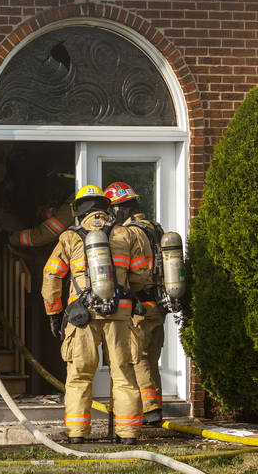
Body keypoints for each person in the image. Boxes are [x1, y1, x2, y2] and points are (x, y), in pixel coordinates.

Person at [42, 184, 152, 444]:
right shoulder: (125, 234)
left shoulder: (69, 238)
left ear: (77, 210)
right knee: (124, 375)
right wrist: (126, 291)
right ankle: (128, 435)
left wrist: (54, 314)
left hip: (82, 317)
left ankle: (77, 434)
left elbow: (52, 277)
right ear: (106, 207)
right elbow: (141, 274)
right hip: (121, 316)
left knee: (79, 376)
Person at [105, 181, 166, 426]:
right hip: (159, 305)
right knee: (151, 358)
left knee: (135, 357)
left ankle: (148, 410)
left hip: (141, 306)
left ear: (120, 209)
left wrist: (125, 294)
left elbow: (136, 274)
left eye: (114, 211)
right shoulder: (155, 228)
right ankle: (155, 406)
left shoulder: (130, 233)